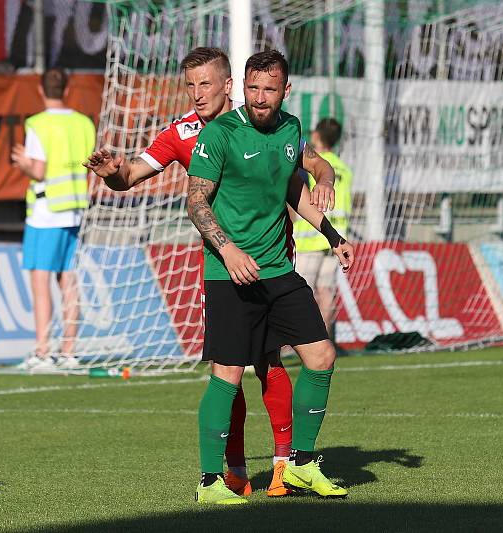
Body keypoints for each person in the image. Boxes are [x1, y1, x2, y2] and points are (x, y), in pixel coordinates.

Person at [83, 47, 338, 498]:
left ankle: (286, 464)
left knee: (273, 362)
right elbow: (132, 177)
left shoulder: (275, 121)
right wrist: (112, 174)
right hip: (228, 265)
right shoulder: (184, 134)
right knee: (232, 370)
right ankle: (231, 470)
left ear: (228, 85)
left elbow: (309, 162)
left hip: (276, 261)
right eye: (190, 86)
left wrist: (326, 181)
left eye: (205, 84)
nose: (197, 95)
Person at [187, 49, 354, 504]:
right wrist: (228, 248)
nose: (260, 98)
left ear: (286, 90)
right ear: (242, 86)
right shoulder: (220, 133)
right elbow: (196, 203)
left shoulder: (291, 128)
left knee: (320, 355)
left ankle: (301, 463)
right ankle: (209, 483)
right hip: (230, 273)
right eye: (253, 88)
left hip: (278, 271)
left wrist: (333, 233)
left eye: (269, 89)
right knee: (229, 373)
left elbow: (293, 189)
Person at [12, 68, 94, 372]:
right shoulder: (83, 123)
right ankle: (69, 350)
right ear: (67, 87)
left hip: (47, 211)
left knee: (40, 278)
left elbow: (40, 171)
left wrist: (23, 164)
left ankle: (43, 349)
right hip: (74, 206)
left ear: (40, 87)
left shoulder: (39, 124)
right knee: (68, 279)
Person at [291, 117, 353, 334]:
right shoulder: (343, 168)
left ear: (316, 136)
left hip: (310, 238)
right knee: (326, 292)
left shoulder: (311, 166)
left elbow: (299, 198)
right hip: (336, 239)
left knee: (299, 294)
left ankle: (304, 342)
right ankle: (325, 339)